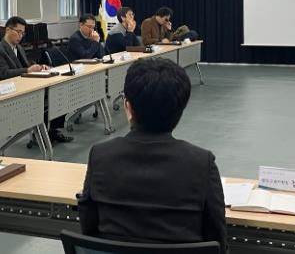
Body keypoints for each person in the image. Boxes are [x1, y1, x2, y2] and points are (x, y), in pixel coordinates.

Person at [78, 57, 227, 252]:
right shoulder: (201, 162)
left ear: (128, 106)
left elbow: (89, 230)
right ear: (180, 109)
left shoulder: (100, 155)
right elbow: (216, 239)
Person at [0, 17, 71, 143]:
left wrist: (39, 67)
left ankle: (52, 130)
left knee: (58, 93)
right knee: (47, 97)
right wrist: (28, 70)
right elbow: (4, 73)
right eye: (18, 32)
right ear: (8, 30)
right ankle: (41, 134)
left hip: (26, 86)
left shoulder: (19, 48)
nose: (21, 36)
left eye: (23, 33)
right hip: (12, 92)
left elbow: (26, 66)